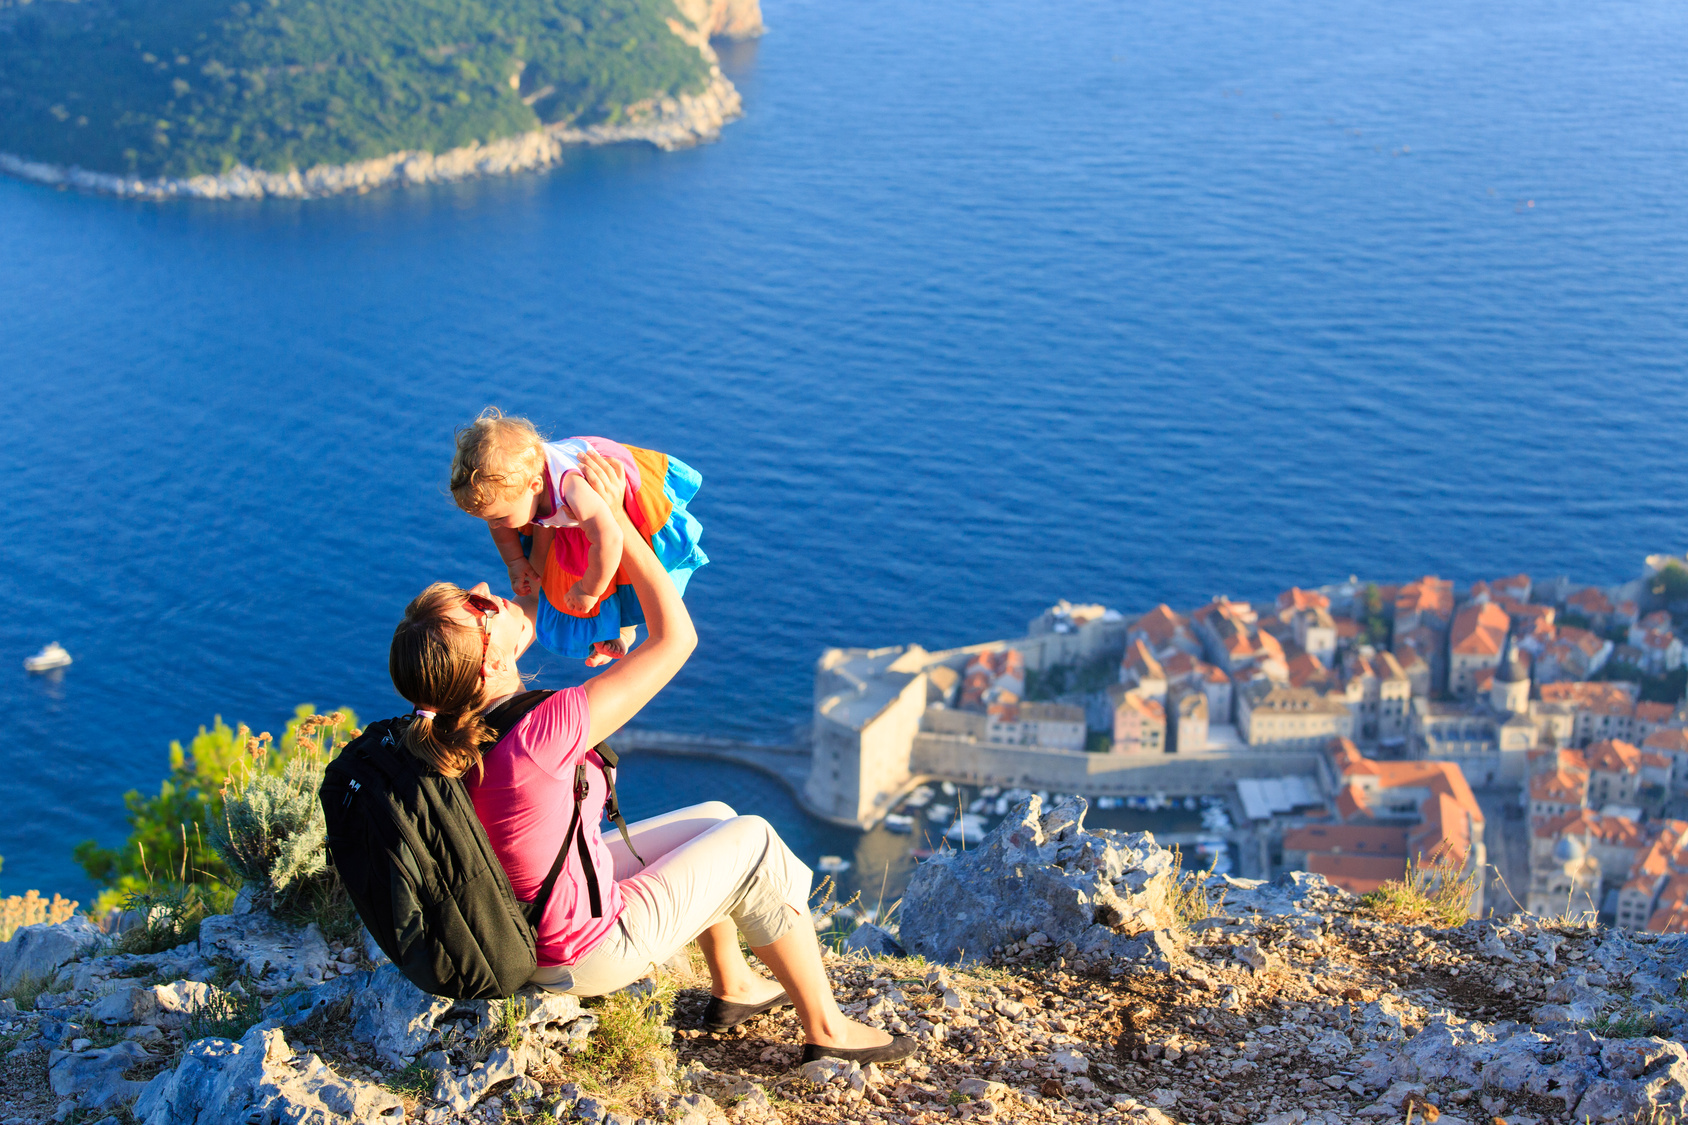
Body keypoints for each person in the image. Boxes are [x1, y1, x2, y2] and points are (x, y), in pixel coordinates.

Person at [391, 449, 913, 1065]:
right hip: (584, 950)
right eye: (476, 606)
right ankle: (828, 1029)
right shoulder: (541, 729)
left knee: (717, 817)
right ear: (492, 665)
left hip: (525, 924)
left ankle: (736, 986)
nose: (484, 589)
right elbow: (678, 638)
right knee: (754, 839)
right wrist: (618, 523)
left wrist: (541, 565)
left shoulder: (445, 727)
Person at [448, 407, 707, 667]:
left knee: (609, 568)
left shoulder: (571, 489)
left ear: (535, 486)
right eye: (489, 519)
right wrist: (515, 563)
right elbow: (500, 529)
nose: (495, 525)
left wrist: (588, 589)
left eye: (499, 517)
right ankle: (609, 628)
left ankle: (626, 628)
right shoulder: (513, 490)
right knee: (562, 571)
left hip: (612, 495)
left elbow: (610, 539)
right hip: (567, 514)